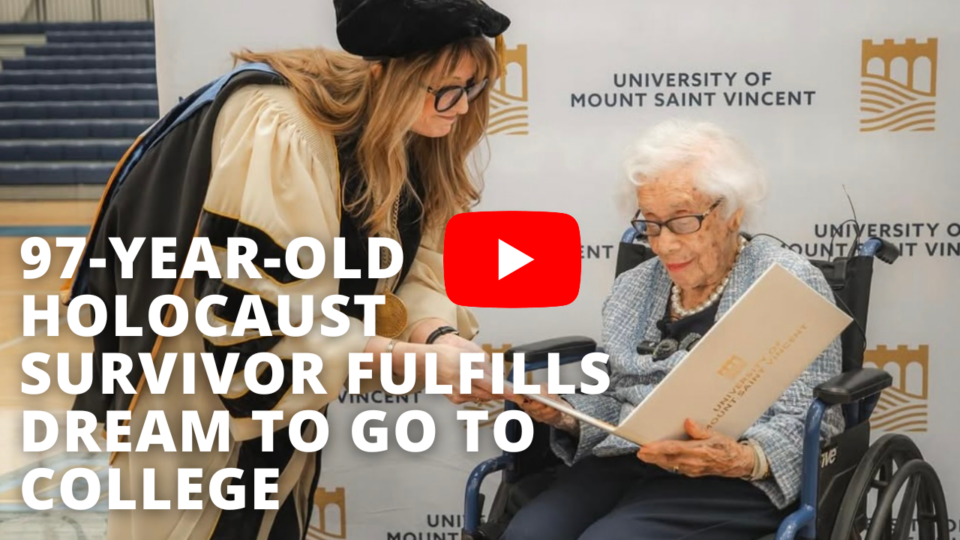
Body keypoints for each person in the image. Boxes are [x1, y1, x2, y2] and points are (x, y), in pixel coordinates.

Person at [62, 1, 513, 538]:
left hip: (289, 403)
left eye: (474, 88)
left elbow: (409, 270)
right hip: (202, 398)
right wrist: (413, 363)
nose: (462, 108)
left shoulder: (411, 134)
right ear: (388, 77)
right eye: (448, 88)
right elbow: (257, 331)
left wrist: (438, 338)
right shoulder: (283, 127)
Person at [506, 119, 845, 540]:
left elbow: (815, 420)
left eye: (683, 220)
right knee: (529, 533)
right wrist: (567, 414)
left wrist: (743, 458)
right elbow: (617, 402)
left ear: (731, 213)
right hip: (629, 461)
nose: (663, 244)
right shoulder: (633, 288)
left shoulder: (788, 283)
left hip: (730, 478)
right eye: (651, 223)